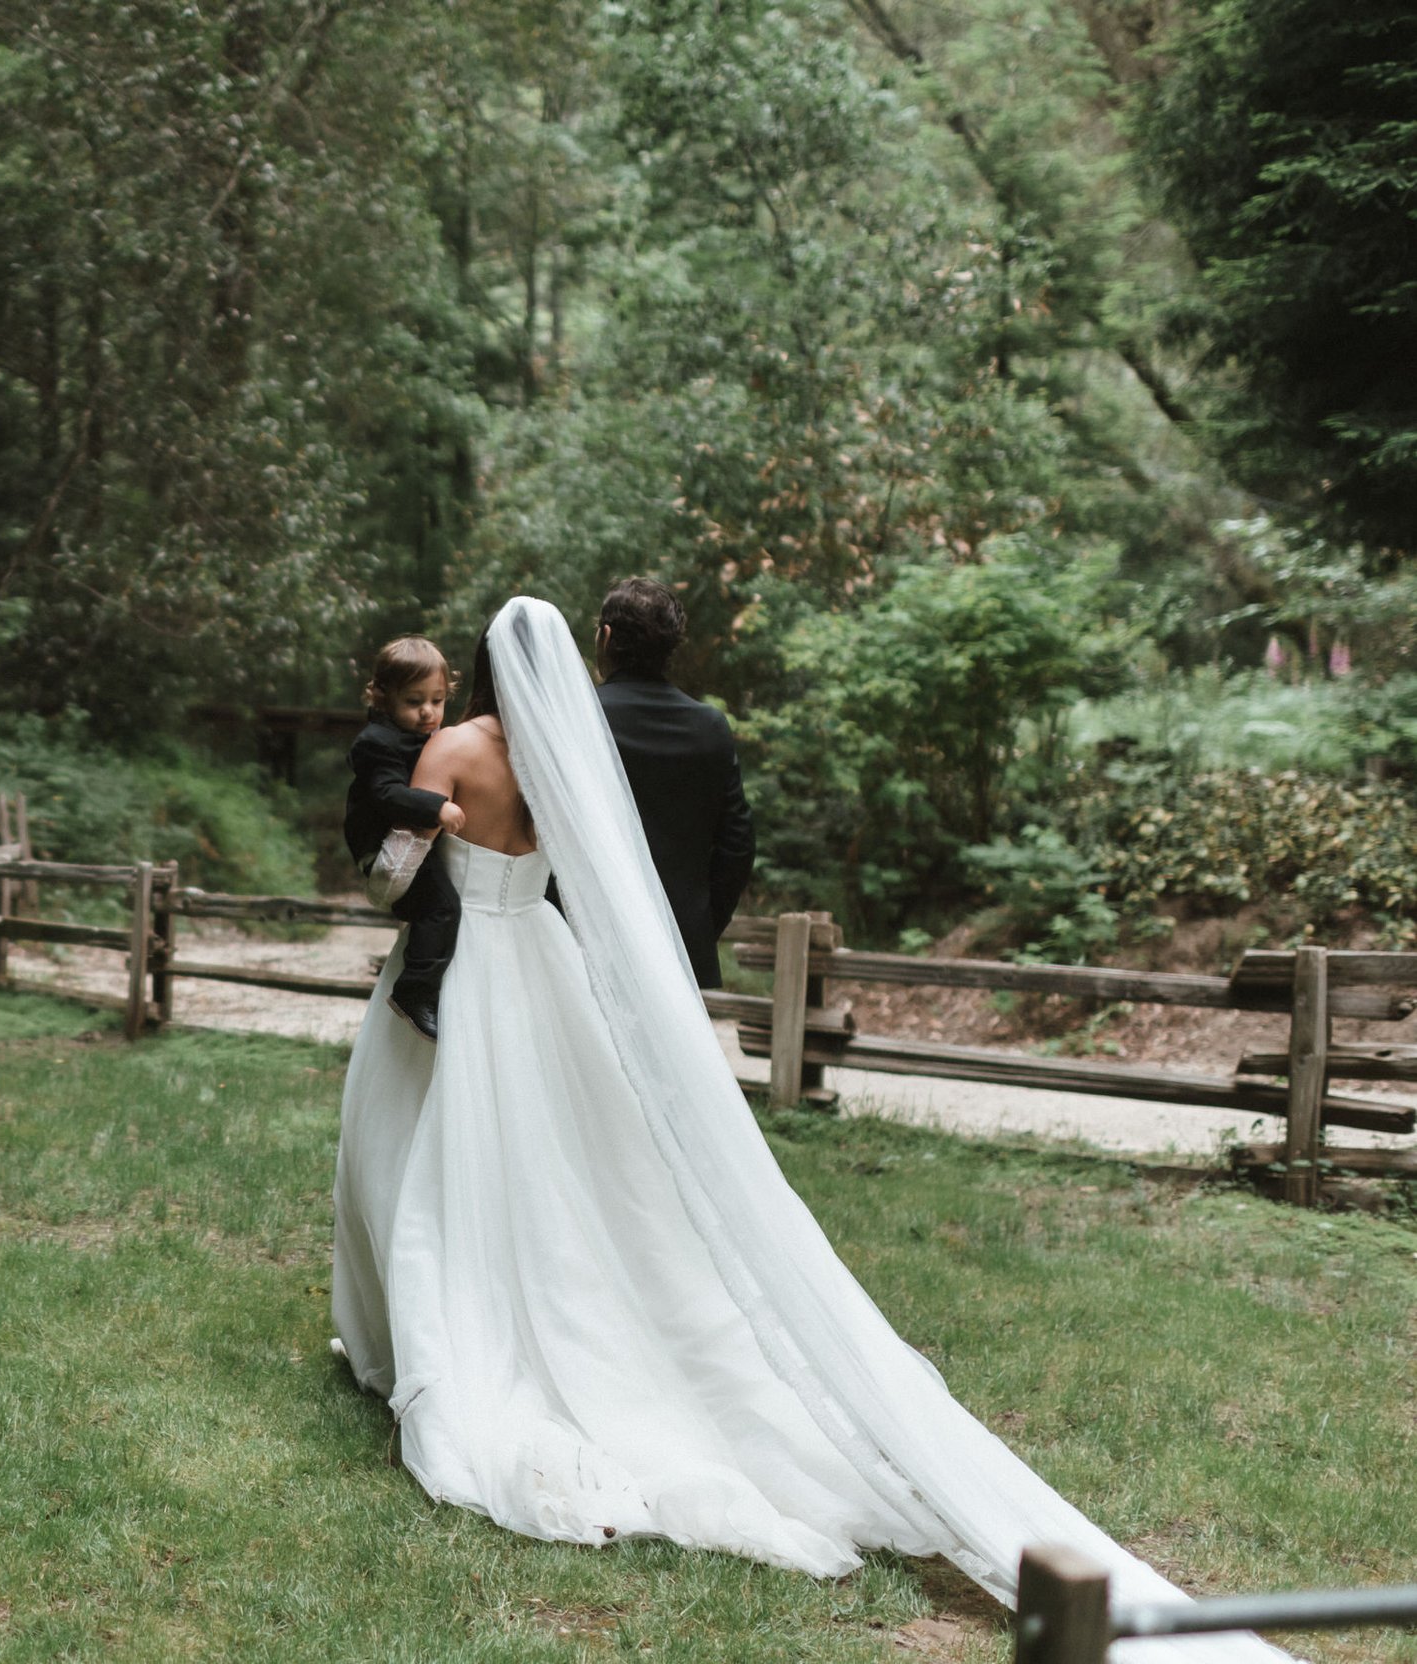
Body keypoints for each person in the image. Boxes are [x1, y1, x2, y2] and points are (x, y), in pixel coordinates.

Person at [328, 598, 1287, 1663]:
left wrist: (408, 861)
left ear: (476, 668)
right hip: (544, 965)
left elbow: (392, 880)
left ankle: (412, 1339)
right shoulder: (569, 759)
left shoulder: (449, 748)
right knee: (561, 1163)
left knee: (416, 1152)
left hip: (466, 972)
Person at [592, 579, 753, 989]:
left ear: (605, 636)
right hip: (678, 945)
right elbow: (737, 843)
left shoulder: (580, 715)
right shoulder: (710, 725)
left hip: (587, 936)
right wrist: (698, 925)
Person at [344, 637, 466, 1041]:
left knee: (438, 905)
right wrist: (437, 808)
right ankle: (414, 991)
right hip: (382, 847)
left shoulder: (423, 736)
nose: (428, 712)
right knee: (442, 907)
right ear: (382, 697)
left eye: (437, 700)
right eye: (414, 701)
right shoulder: (375, 743)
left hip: (414, 843)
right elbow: (388, 795)